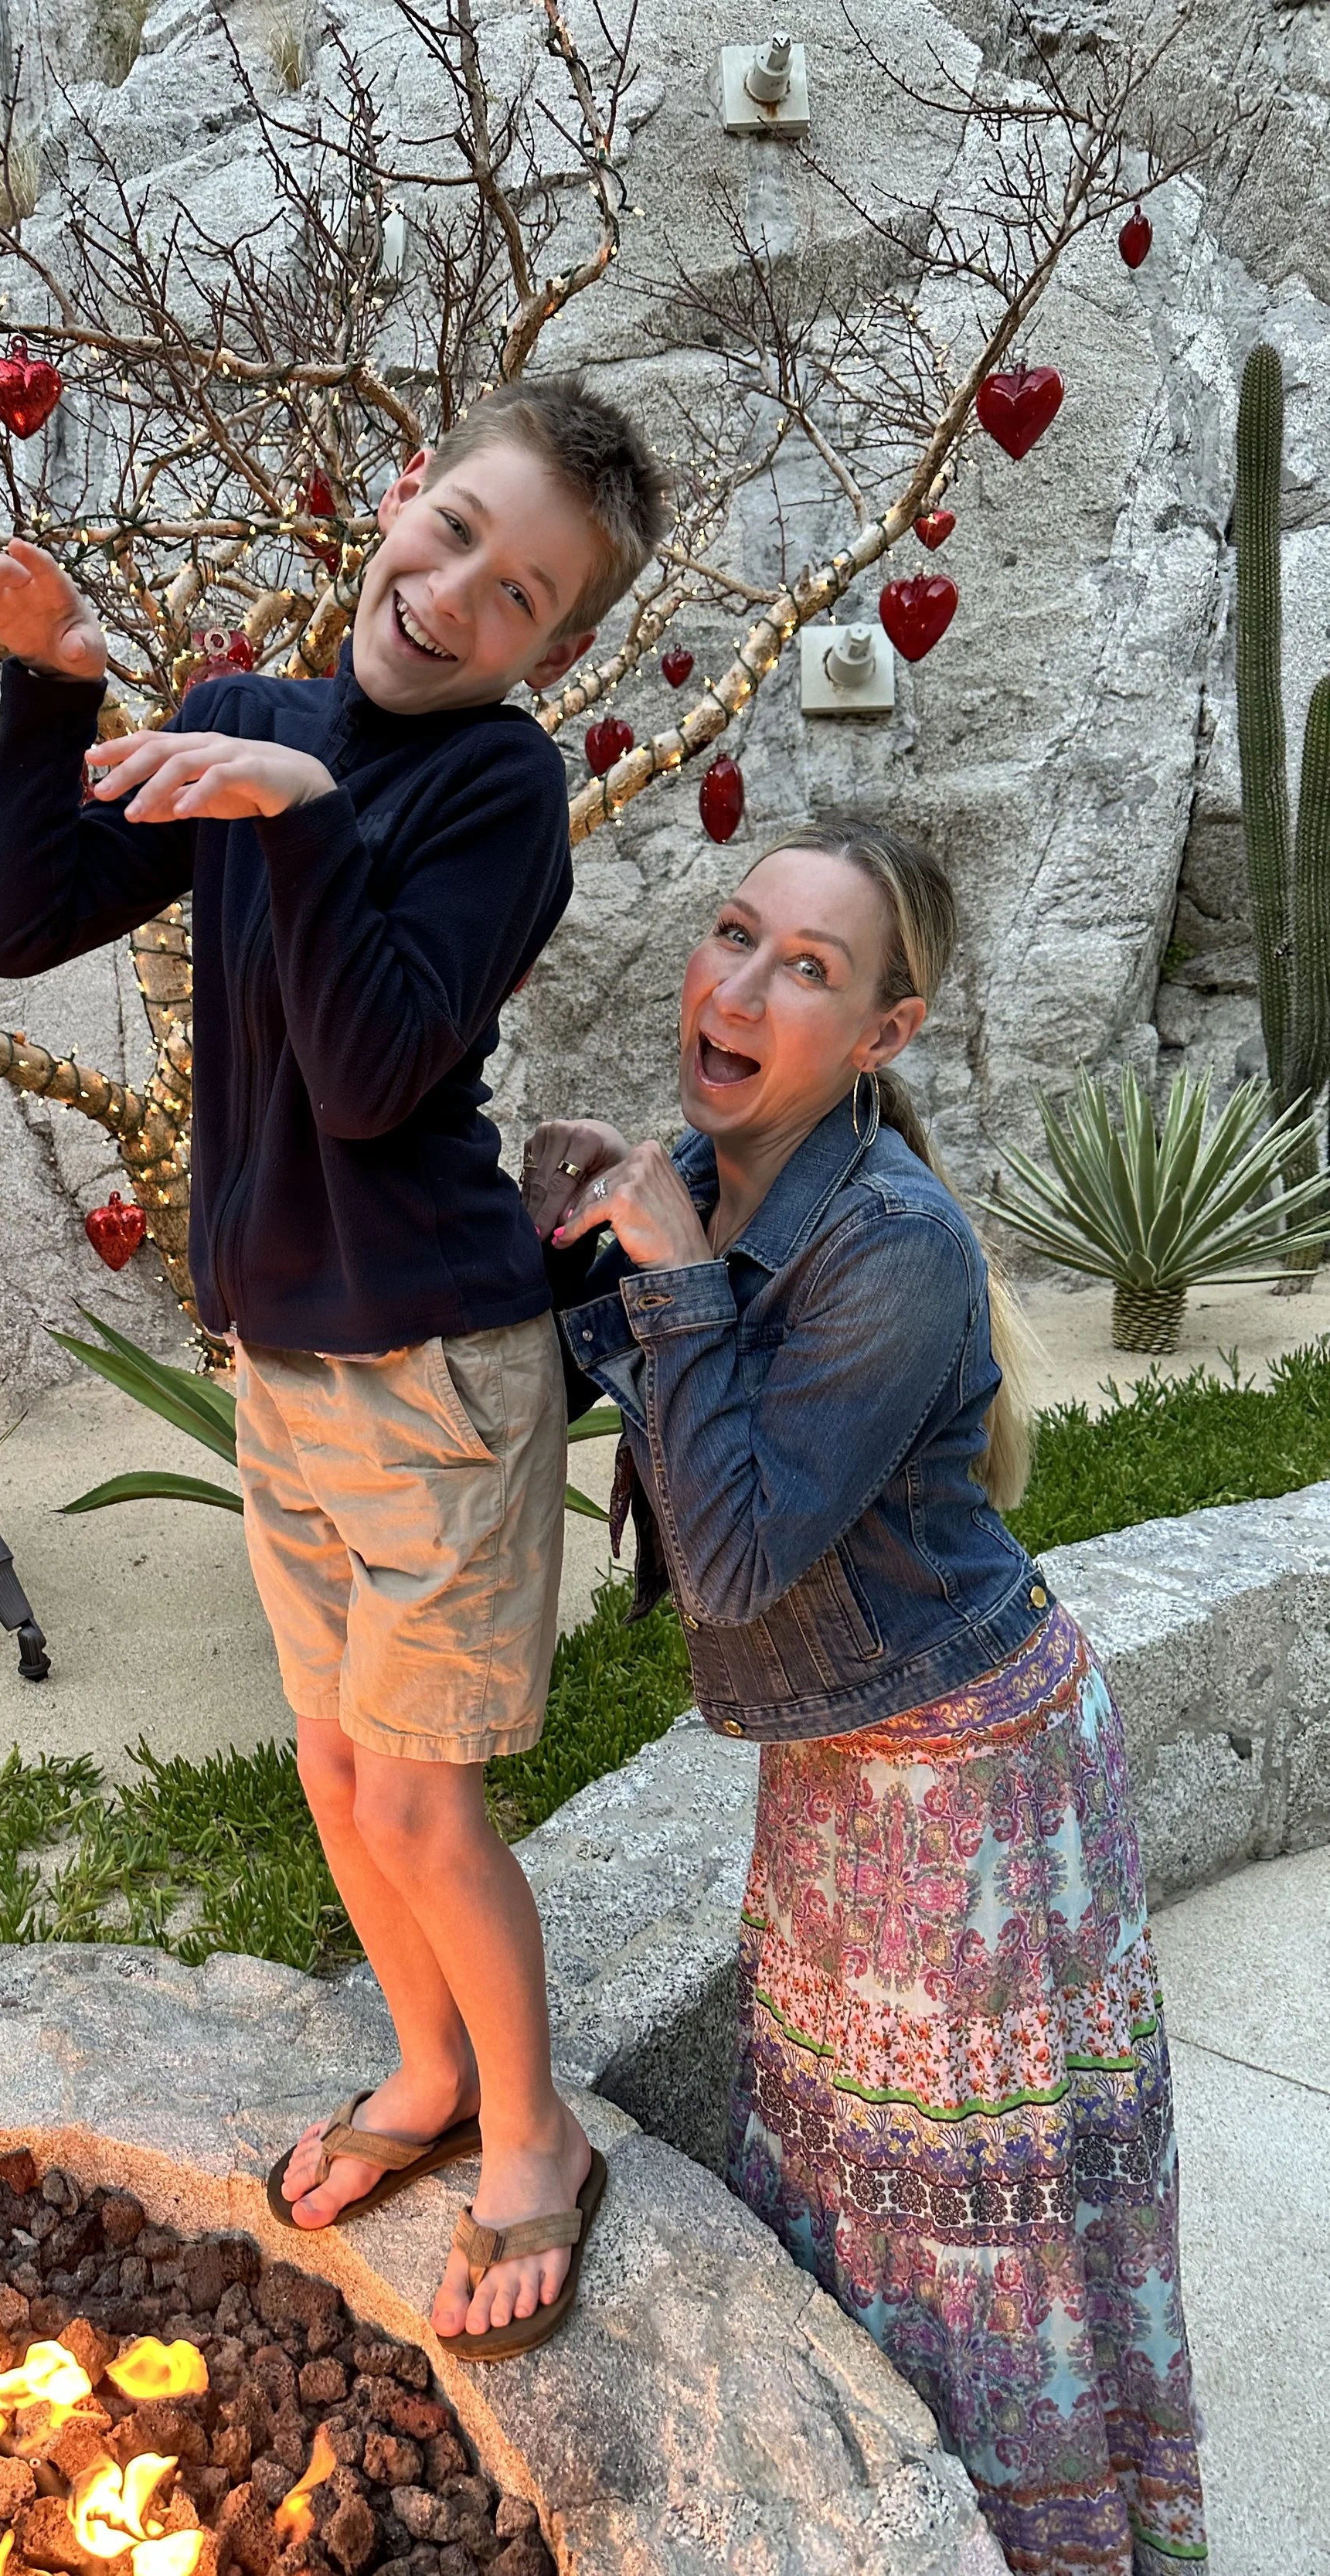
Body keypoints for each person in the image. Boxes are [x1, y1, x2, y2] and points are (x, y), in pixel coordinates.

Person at [0, 376, 668, 2360]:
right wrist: (56, 691)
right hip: (281, 1364)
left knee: (428, 1808)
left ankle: (532, 2141)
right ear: (406, 494)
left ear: (555, 648)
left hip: (437, 1372)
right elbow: (19, 925)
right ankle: (423, 2069)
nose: (449, 596)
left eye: (516, 595)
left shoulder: (495, 794)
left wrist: (312, 820)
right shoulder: (252, 711)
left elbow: (364, 1073)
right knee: (339, 1777)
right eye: (449, 534)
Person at [527, 820, 1205, 2575]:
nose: (736, 986)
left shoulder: (887, 1238)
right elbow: (678, 1440)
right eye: (731, 934)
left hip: (970, 1786)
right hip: (845, 1767)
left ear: (881, 1039)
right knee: (854, 2182)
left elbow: (736, 1556)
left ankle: (1026, 2542)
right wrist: (592, 1243)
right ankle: (876, 2518)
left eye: (804, 969)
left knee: (975, 2230)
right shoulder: (715, 1163)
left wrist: (667, 1271)